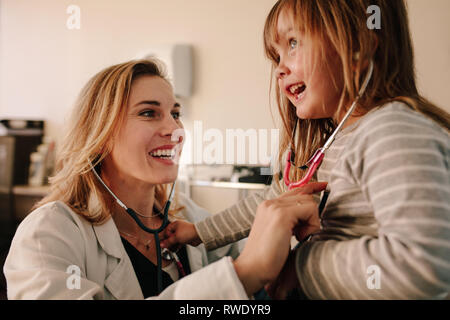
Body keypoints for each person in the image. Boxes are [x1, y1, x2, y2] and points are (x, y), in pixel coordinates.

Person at [162, 0, 450, 299]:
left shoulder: (392, 133)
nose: (279, 68)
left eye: (294, 43)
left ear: (360, 47)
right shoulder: (329, 144)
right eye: (276, 55)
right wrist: (199, 232)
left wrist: (301, 266)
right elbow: (270, 201)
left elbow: (422, 266)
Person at [3, 58, 327, 299]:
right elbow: (244, 273)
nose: (175, 130)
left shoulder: (187, 219)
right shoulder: (49, 234)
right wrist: (243, 274)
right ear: (99, 133)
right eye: (148, 113)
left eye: (175, 113)